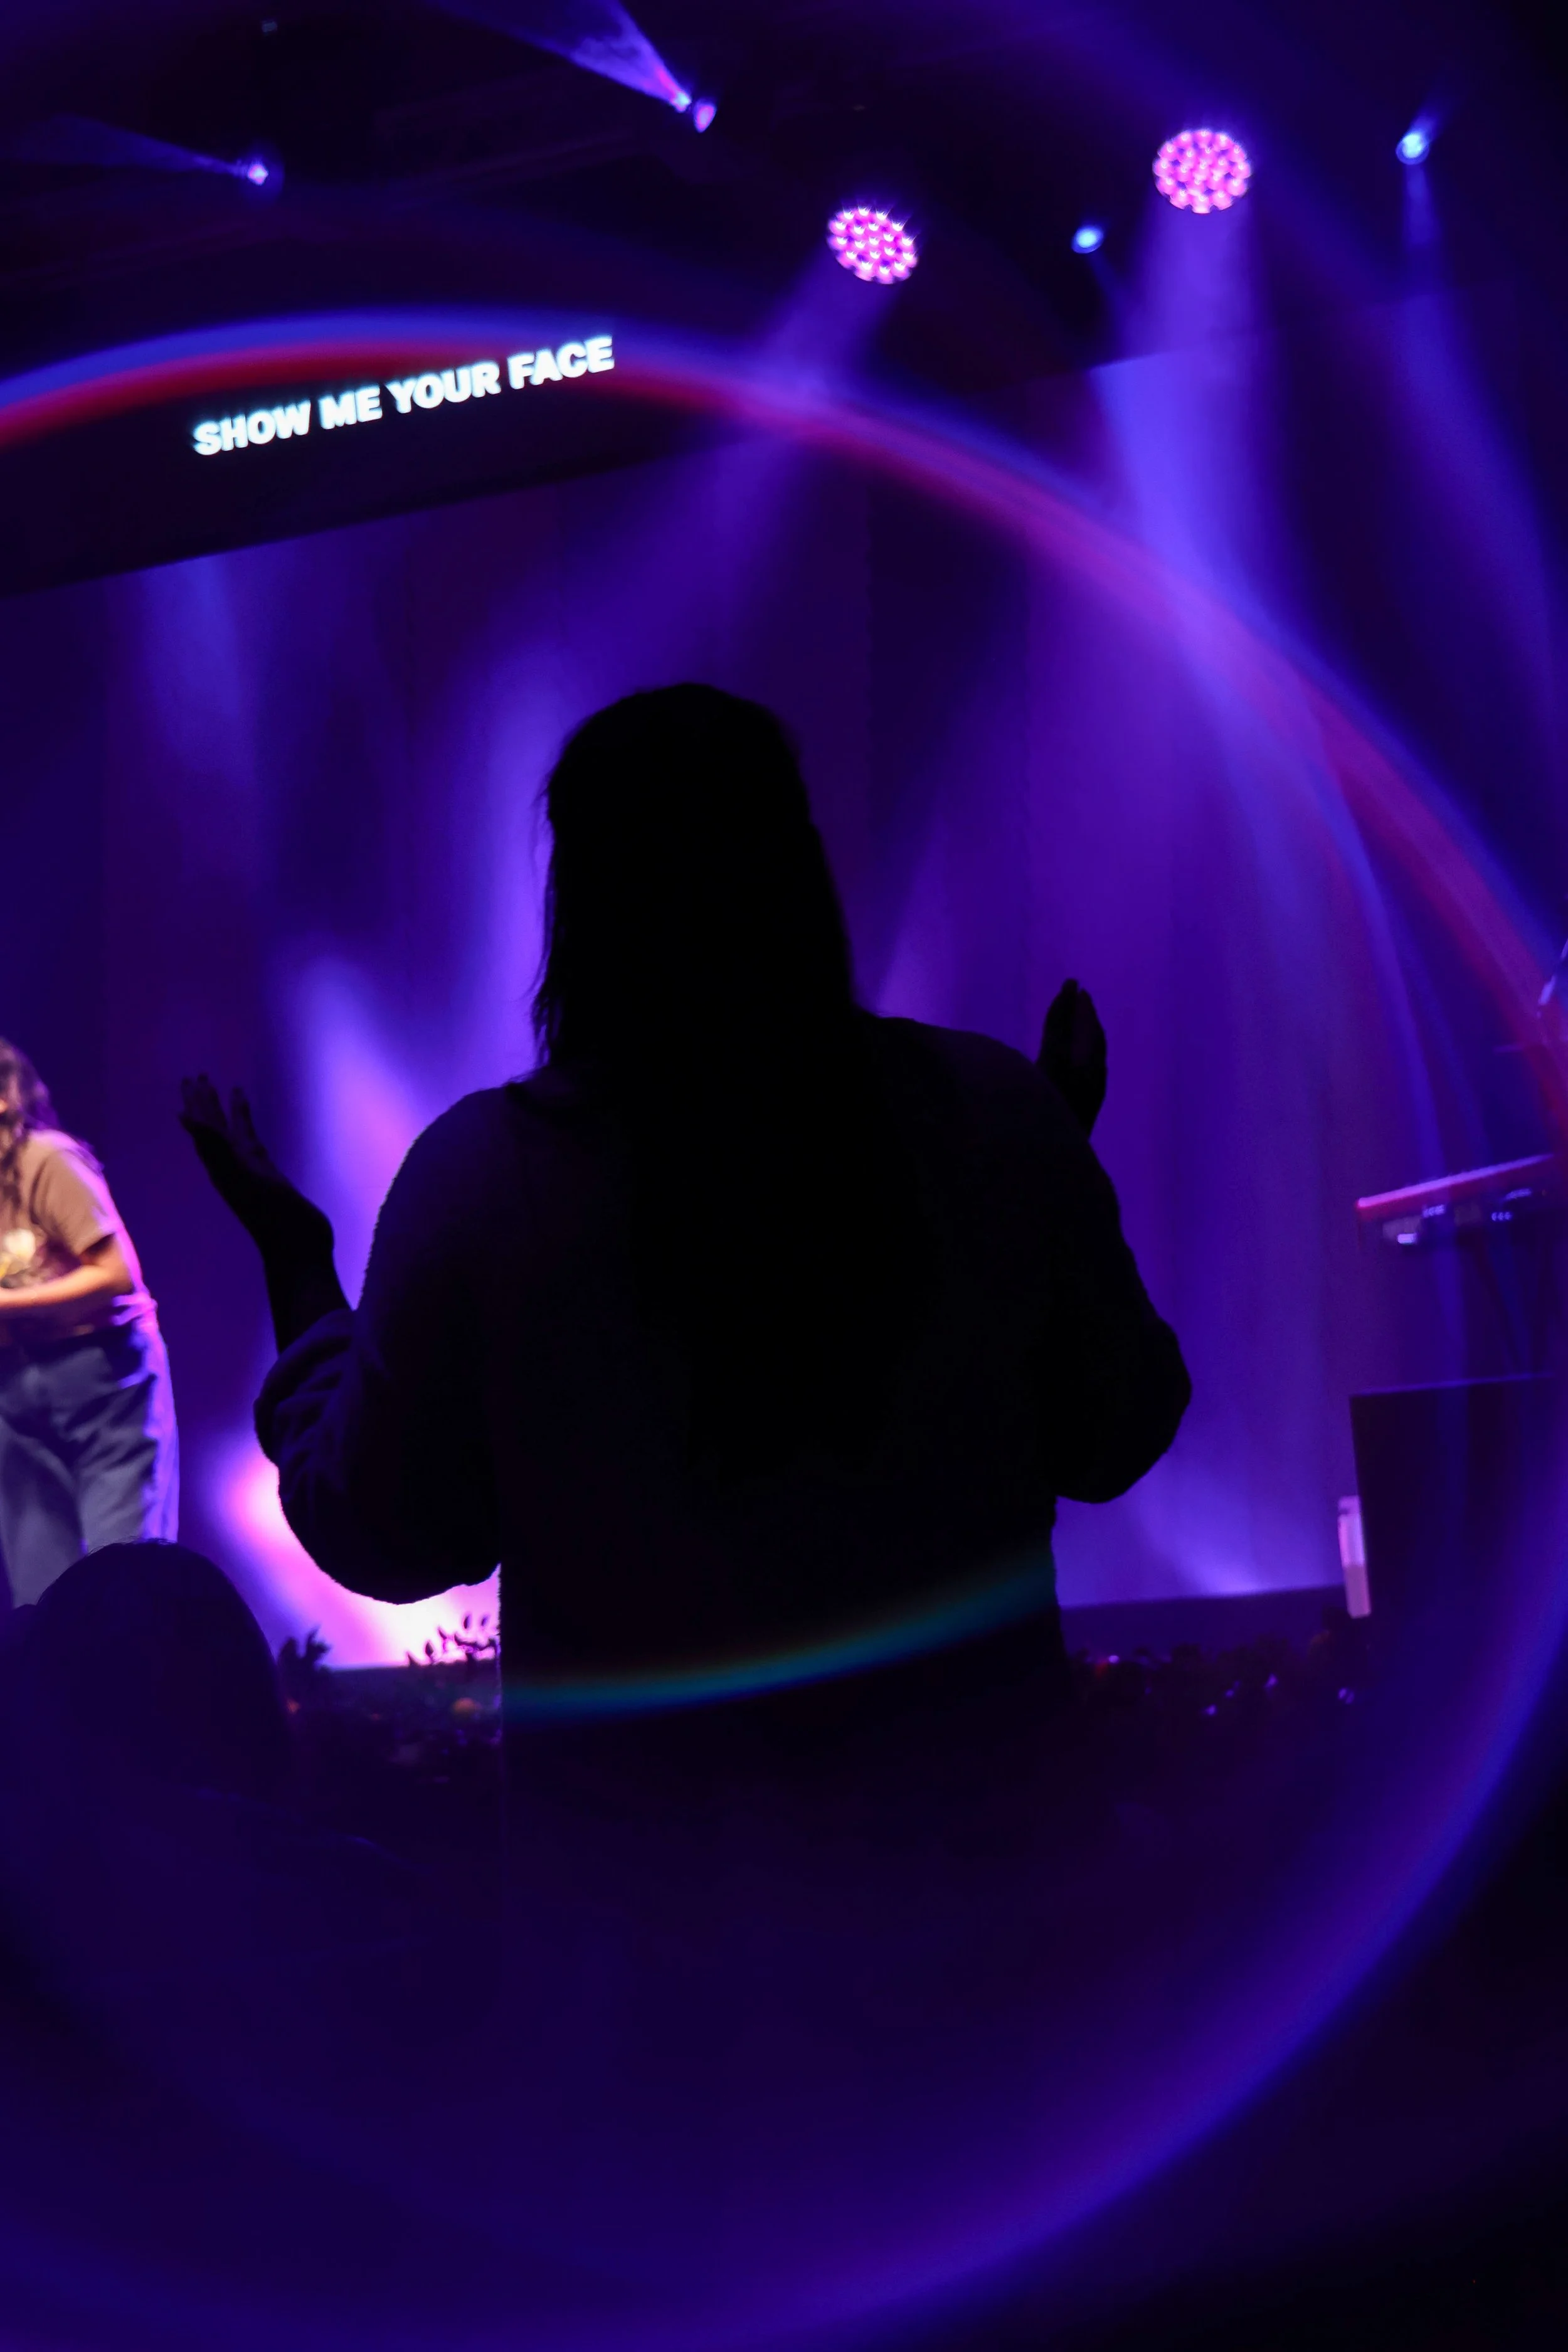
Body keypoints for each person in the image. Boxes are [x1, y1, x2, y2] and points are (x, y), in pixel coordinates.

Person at [179, 684, 1188, 1711]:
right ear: (797, 871)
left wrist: (298, 1262)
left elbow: (380, 1529)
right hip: (984, 1850)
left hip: (638, 1863)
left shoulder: (483, 1177)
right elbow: (1117, 1431)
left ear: (582, 901)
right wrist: (1043, 1161)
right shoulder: (993, 1116)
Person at [0, 1041, 177, 1607]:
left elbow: (116, 1275)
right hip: (16, 1390)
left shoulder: (45, 1160)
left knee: (124, 1583)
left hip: (105, 1381)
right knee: (42, 1604)